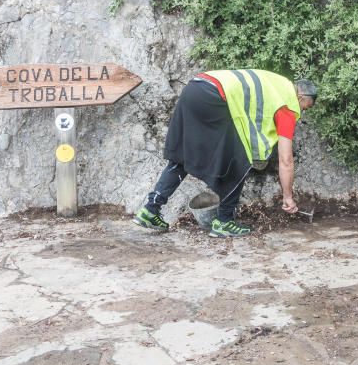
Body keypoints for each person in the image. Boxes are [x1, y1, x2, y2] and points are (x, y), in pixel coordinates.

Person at [133, 69, 318, 238]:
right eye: (305, 107)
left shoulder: (279, 83)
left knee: (182, 156)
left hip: (195, 87)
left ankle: (150, 209)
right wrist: (288, 197)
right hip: (215, 97)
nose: (301, 112)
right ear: (300, 96)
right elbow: (286, 160)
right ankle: (224, 221)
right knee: (239, 160)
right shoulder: (287, 106)